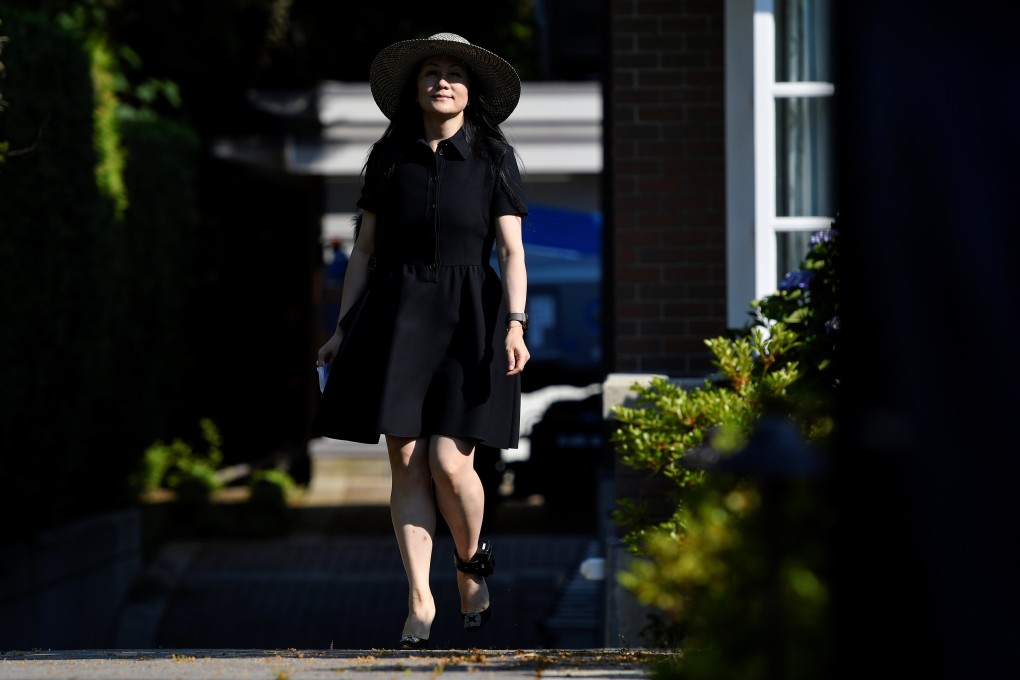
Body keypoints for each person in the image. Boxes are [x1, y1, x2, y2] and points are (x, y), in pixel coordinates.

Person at [311, 32, 530, 649]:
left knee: (448, 460)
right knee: (405, 457)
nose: (442, 81)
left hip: (472, 317)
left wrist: (516, 322)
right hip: (397, 313)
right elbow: (364, 253)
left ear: (471, 91)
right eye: (431, 72)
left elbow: (512, 250)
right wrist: (342, 329)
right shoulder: (390, 158)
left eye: (455, 74)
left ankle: (470, 562)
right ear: (415, 87)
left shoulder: (493, 157)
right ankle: (418, 599)